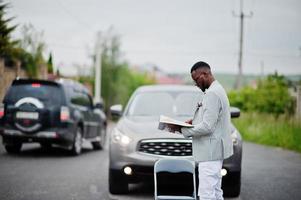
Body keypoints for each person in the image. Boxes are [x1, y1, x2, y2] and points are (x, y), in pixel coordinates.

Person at [169, 61, 233, 200]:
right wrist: (194, 122)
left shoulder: (212, 94)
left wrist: (182, 130)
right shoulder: (218, 89)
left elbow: (208, 127)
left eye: (196, 80)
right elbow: (213, 120)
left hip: (209, 154)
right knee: (216, 192)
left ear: (205, 74)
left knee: (206, 194)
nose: (196, 84)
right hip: (214, 152)